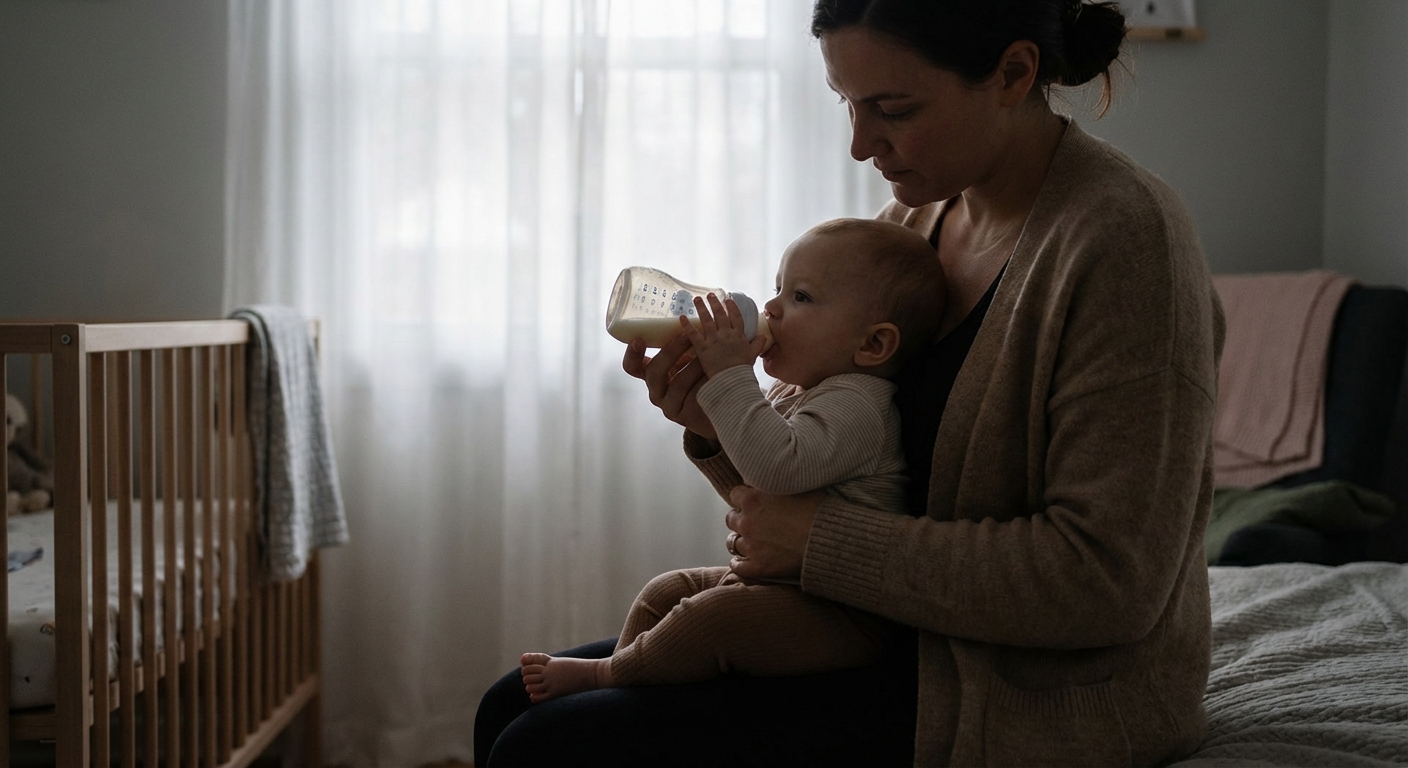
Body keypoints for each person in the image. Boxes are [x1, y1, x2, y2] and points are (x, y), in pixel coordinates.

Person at [475, 0, 1224, 765]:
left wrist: (823, 543)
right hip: (882, 629)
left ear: (1013, 72)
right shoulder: (916, 221)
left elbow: (1107, 584)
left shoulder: (1126, 244)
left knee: (545, 747)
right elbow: (832, 476)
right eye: (848, 105)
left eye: (892, 109)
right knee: (507, 703)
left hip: (1020, 690)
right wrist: (712, 423)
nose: (862, 146)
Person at [519, 218, 944, 702]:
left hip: (846, 612)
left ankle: (608, 679)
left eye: (800, 298)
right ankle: (630, 678)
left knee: (708, 620)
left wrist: (730, 377)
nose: (770, 309)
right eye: (777, 289)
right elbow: (768, 483)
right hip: (794, 587)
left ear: (872, 345)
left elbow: (776, 469)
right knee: (668, 591)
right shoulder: (811, 390)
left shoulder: (860, 403)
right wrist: (707, 417)